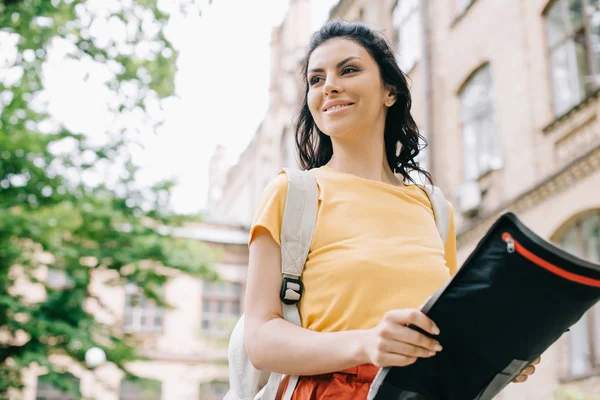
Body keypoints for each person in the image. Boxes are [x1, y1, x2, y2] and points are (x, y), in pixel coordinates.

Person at [243, 19, 539, 399]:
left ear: (390, 92)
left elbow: (439, 336)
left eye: (348, 70)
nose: (329, 85)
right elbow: (260, 339)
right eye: (316, 79)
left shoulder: (434, 208)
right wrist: (366, 344)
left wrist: (495, 355)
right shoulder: (291, 193)